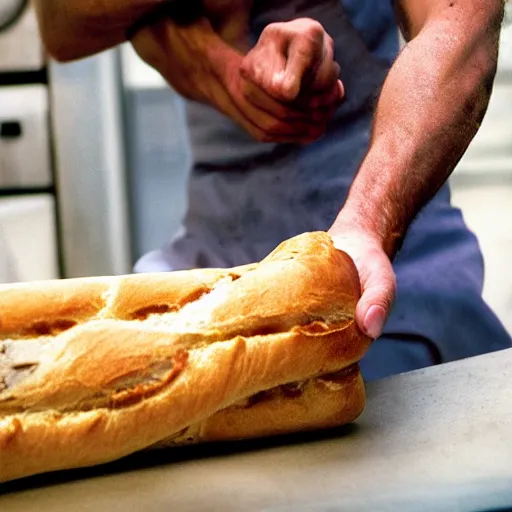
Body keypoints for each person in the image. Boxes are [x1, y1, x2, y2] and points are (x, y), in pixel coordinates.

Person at [34, 0, 512, 380]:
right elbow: (61, 25)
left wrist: (368, 222)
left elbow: (462, 23)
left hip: (388, 265)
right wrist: (229, 71)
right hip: (214, 269)